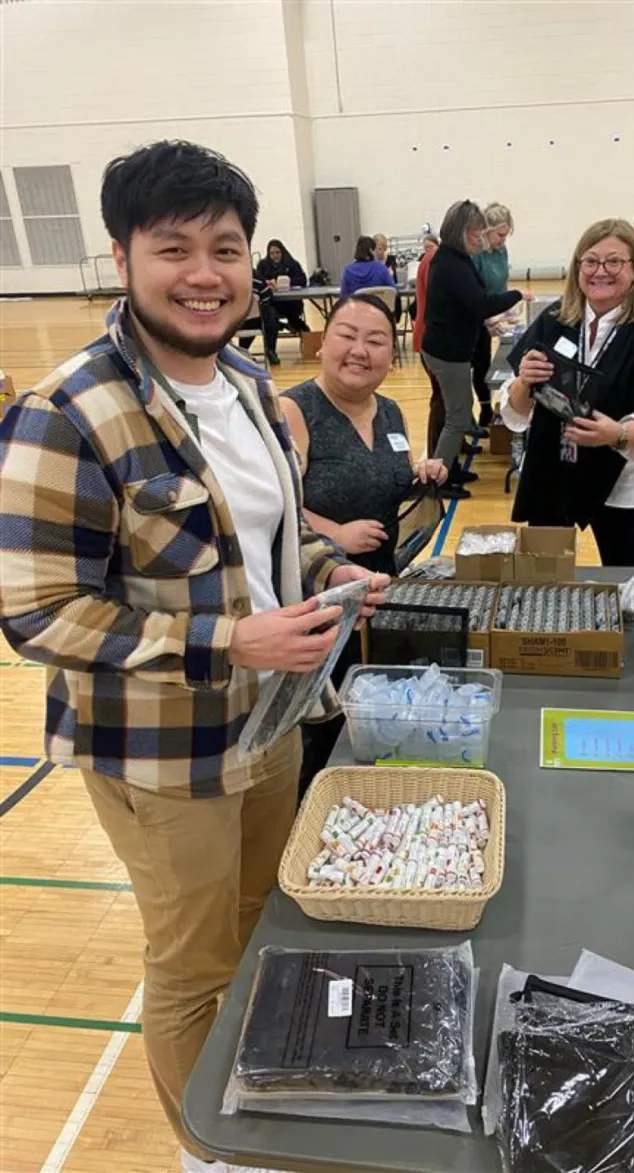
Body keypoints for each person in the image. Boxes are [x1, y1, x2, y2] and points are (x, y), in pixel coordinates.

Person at [0, 140, 387, 1173]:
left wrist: (324, 572)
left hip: (271, 722)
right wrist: (228, 638)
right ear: (122, 258)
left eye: (224, 246)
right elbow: (37, 615)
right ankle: (204, 1153)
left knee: (259, 930)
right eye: (173, 247)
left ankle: (253, 1102)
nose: (204, 272)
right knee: (191, 964)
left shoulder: (255, 390)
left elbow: (261, 542)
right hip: (163, 757)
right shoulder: (68, 412)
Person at [279, 294, 447, 789]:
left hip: (379, 590)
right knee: (323, 728)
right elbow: (277, 506)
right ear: (322, 345)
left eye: (375, 340)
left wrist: (419, 474)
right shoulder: (293, 410)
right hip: (319, 600)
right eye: (347, 336)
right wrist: (335, 535)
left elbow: (385, 479)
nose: (359, 350)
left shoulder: (391, 413)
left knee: (372, 715)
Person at [500, 218, 634, 565]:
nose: (600, 271)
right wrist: (524, 381)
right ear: (577, 267)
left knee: (622, 571)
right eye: (590, 261)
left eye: (614, 261)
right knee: (544, 571)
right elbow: (515, 408)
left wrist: (616, 434)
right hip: (550, 469)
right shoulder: (555, 319)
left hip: (615, 473)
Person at [422, 199, 523, 500]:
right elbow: (481, 303)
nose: (480, 238)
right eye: (476, 233)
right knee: (456, 416)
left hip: (450, 348)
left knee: (460, 410)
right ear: (462, 231)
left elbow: (470, 304)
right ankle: (439, 478)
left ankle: (451, 466)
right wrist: (518, 294)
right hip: (446, 352)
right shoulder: (451, 264)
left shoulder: (456, 258)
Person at [472, 202, 515, 427]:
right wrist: (487, 319)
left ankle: (485, 409)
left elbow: (501, 285)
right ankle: (468, 416)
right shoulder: (476, 253)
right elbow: (475, 291)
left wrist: (508, 312)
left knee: (483, 365)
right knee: (470, 366)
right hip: (474, 316)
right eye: (500, 235)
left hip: (490, 316)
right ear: (487, 231)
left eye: (506, 235)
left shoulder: (501, 250)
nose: (503, 240)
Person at [251, 237, 308, 365]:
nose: (275, 256)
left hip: (291, 302)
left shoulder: (292, 264)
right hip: (273, 303)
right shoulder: (263, 265)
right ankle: (287, 328)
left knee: (292, 310)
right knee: (269, 313)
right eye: (272, 253)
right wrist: (269, 283)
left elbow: (303, 280)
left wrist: (288, 281)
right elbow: (261, 282)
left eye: (277, 252)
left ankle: (294, 325)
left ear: (282, 252)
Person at [412, 231, 439, 353]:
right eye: (426, 248)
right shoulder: (430, 259)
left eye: (430, 247)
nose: (428, 250)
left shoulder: (427, 259)